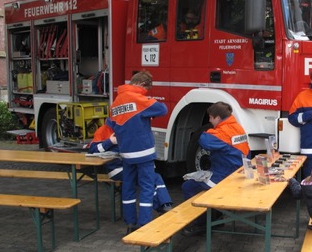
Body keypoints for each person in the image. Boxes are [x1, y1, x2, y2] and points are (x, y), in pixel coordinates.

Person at [106, 71, 168, 233]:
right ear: (142, 85)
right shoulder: (138, 98)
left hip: (126, 153)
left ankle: (130, 224)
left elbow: (111, 123)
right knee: (147, 187)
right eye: (146, 90)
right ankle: (145, 223)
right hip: (144, 151)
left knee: (128, 188)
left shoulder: (116, 102)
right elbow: (162, 109)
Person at [182, 101, 250, 236]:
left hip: (225, 176)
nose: (209, 120)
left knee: (188, 187)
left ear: (218, 118)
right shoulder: (238, 128)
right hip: (238, 172)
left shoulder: (223, 132)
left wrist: (210, 129)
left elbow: (203, 140)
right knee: (201, 184)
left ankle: (201, 224)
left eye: (211, 117)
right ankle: (216, 216)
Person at [88, 124, 173, 213]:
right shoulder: (104, 130)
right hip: (116, 169)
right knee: (151, 179)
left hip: (131, 166)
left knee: (155, 177)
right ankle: (164, 206)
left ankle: (165, 206)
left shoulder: (128, 127)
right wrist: (110, 141)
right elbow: (92, 149)